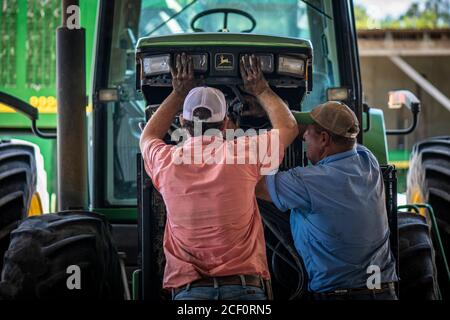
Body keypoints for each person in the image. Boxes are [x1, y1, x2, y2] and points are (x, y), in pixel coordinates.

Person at [139, 53, 298, 300]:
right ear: (226, 123)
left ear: (182, 121)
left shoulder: (165, 161)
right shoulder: (245, 153)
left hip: (189, 295)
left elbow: (147, 137)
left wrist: (178, 93)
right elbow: (288, 127)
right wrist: (261, 89)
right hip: (246, 291)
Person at [256, 101, 398, 300]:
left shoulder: (310, 181)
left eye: (309, 133)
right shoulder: (368, 161)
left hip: (340, 296)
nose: (303, 136)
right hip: (382, 290)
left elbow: (256, 185)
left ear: (324, 139)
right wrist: (267, 110)